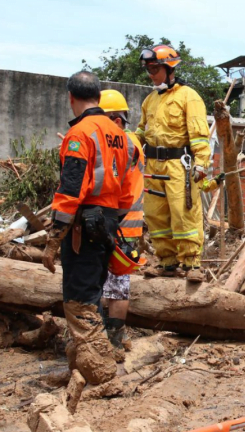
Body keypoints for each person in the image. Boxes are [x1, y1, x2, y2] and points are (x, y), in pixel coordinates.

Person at [42, 71, 137, 385]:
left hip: (83, 225)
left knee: (80, 300)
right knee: (92, 294)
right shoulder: (121, 136)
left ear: (71, 97)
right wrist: (111, 223)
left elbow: (70, 190)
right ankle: (81, 368)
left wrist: (54, 239)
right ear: (98, 96)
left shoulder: (80, 134)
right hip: (106, 223)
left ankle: (99, 374)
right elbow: (127, 190)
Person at [136, 45, 210, 282]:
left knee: (183, 213)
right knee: (155, 215)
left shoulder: (188, 96)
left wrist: (201, 163)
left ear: (169, 68)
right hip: (153, 165)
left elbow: (199, 134)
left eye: (154, 68)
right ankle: (167, 262)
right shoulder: (150, 100)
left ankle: (192, 263)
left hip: (179, 164)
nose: (151, 73)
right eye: (148, 68)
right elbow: (141, 131)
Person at [98, 89, 144, 351]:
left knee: (116, 285)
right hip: (125, 223)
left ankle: (113, 341)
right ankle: (111, 338)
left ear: (116, 121)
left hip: (121, 223)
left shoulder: (124, 143)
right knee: (113, 284)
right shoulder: (131, 141)